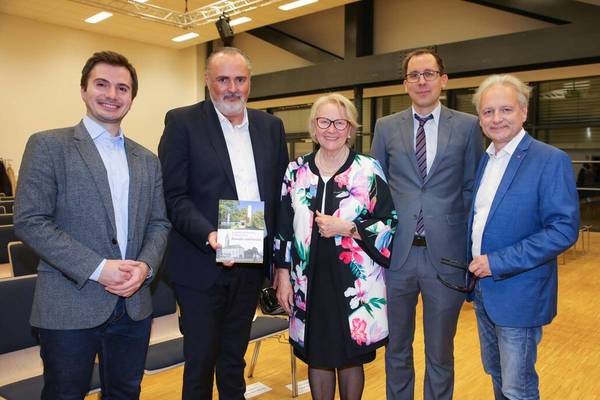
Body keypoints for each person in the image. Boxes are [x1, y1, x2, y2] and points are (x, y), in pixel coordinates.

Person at [14, 50, 171, 399]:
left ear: (132, 98)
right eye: (102, 84)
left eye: (122, 88)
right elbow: (30, 220)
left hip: (133, 306)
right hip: (69, 305)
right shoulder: (48, 145)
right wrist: (99, 268)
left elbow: (159, 223)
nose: (112, 95)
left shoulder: (147, 160)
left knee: (125, 392)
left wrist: (146, 267)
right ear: (83, 90)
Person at [158, 47, 289, 399]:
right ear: (207, 81)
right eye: (223, 79)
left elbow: (280, 198)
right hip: (201, 263)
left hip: (250, 263)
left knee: (233, 360)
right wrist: (209, 234)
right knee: (200, 361)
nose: (232, 88)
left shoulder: (270, 127)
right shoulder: (182, 122)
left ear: (250, 82)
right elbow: (173, 195)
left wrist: (279, 263)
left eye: (240, 79)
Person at [371, 48, 483, 400]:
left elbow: (472, 188)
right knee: (396, 349)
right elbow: (376, 188)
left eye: (429, 74)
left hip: (446, 257)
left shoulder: (467, 126)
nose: (422, 81)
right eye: (414, 75)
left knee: (440, 352)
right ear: (405, 84)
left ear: (443, 80)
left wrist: (467, 251)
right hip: (397, 257)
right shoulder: (385, 127)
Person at [274, 93, 397, 400]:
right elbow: (282, 227)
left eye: (340, 123)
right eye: (324, 122)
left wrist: (349, 228)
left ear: (350, 128)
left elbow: (390, 224)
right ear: (313, 127)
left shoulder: (368, 170)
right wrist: (283, 276)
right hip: (308, 283)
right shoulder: (295, 171)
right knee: (317, 355)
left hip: (354, 286)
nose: (332, 129)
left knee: (351, 356)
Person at [468, 74, 579, 400]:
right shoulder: (486, 159)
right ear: (480, 118)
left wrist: (497, 262)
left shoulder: (550, 159)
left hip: (519, 293)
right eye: (488, 112)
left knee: (518, 388)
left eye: (506, 110)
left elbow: (563, 229)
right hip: (483, 292)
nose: (496, 119)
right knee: (497, 374)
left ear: (524, 111)